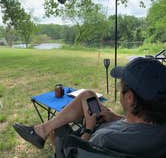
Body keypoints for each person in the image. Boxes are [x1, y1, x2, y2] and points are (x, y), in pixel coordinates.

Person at [13, 57, 166, 157]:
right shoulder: (160, 130)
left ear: (129, 98)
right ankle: (41, 130)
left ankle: (45, 131)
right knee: (88, 95)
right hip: (116, 125)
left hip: (90, 137)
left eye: (121, 88)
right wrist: (117, 118)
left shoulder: (104, 138)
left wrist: (89, 128)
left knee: (57, 129)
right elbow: (140, 128)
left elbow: (81, 151)